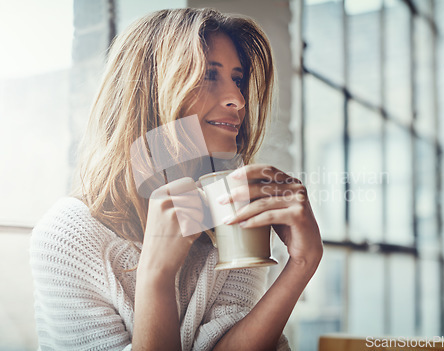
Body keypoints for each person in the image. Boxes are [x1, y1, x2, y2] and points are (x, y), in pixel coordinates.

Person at [30, 7, 323, 351]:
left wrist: (302, 264)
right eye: (209, 76)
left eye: (238, 79)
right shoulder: (67, 237)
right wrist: (156, 275)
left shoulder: (231, 219)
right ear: (152, 92)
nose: (239, 99)